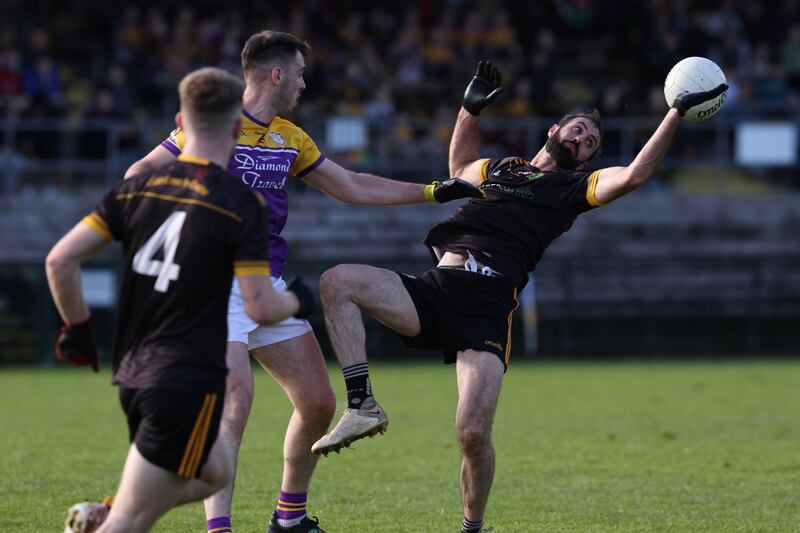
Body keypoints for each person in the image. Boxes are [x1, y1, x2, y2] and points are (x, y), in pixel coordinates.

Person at [310, 60, 728, 532]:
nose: (580, 140)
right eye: (577, 129)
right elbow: (460, 169)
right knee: (337, 281)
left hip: (488, 310)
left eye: (589, 142)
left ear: (588, 160)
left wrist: (674, 113)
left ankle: (472, 527)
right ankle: (362, 404)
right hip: (437, 291)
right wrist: (470, 109)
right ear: (555, 129)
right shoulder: (502, 168)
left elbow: (631, 175)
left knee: (471, 432)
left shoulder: (573, 189)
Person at [123, 30, 481, 533]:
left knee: (318, 402)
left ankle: (288, 518)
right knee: (235, 402)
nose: (304, 84)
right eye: (300, 73)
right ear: (277, 74)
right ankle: (218, 529)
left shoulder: (290, 137)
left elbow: (352, 185)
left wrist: (433, 191)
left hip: (266, 287)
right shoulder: (212, 124)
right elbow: (140, 172)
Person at [47, 67, 315, 533]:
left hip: (135, 371)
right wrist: (299, 301)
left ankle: (106, 514)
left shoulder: (136, 189)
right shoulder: (237, 202)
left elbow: (59, 261)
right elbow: (261, 308)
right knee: (133, 519)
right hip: (182, 379)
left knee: (214, 472)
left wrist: (77, 330)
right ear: (237, 128)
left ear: (180, 120)